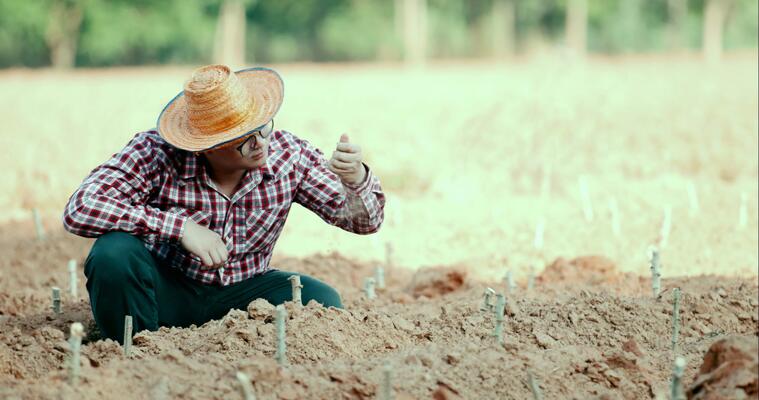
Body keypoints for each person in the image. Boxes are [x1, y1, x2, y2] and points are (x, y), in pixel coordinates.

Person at [62, 64, 385, 343]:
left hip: (246, 292)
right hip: (168, 288)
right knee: (113, 254)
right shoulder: (155, 152)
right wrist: (180, 227)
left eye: (262, 128)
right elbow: (82, 206)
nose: (260, 144)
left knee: (322, 301)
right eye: (244, 140)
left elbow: (364, 222)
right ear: (204, 146)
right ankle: (136, 352)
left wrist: (355, 179)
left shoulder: (289, 155)